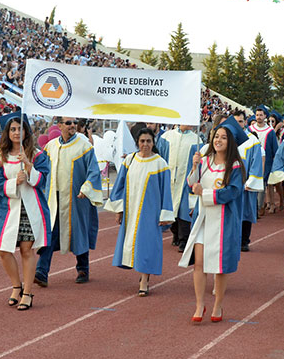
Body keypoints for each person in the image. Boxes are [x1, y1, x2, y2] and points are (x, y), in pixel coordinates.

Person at [178, 117, 246, 324]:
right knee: (199, 263)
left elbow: (232, 192)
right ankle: (200, 304)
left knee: (219, 265)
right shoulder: (205, 160)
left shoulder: (235, 166)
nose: (218, 140)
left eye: (223, 137)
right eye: (216, 136)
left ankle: (218, 304)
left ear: (231, 141)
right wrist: (194, 167)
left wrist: (205, 194)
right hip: (204, 219)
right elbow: (192, 184)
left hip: (223, 220)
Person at [0, 112, 51, 310]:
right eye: (13, 129)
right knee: (4, 250)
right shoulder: (1, 158)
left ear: (26, 131)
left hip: (31, 209)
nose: (17, 133)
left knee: (27, 250)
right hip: (9, 209)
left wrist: (28, 165)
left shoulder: (38, 155)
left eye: (20, 129)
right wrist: (12, 183)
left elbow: (42, 180)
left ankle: (27, 293)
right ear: (7, 133)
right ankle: (16, 286)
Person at [35, 116, 104, 287]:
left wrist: (87, 189)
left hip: (76, 199)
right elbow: (41, 168)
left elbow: (94, 172)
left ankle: (83, 268)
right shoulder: (50, 147)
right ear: (59, 126)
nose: (72, 126)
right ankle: (41, 272)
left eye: (74, 123)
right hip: (54, 199)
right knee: (49, 234)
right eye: (68, 123)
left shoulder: (84, 147)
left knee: (79, 231)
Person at [106, 128, 175, 296]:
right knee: (132, 244)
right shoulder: (130, 160)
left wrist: (164, 213)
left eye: (149, 141)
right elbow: (119, 185)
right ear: (137, 142)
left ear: (153, 143)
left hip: (150, 212)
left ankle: (144, 280)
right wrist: (119, 210)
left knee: (147, 245)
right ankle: (141, 276)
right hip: (131, 210)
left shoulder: (160, 163)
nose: (145, 144)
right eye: (142, 141)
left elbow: (166, 190)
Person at [157, 124, 202, 252]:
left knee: (184, 210)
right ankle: (175, 234)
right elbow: (161, 157)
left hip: (185, 181)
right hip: (169, 179)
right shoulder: (167, 137)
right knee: (171, 209)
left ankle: (184, 240)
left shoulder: (197, 140)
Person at [233, 110, 264, 252]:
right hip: (231, 183)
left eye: (240, 121)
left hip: (245, 184)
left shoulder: (252, 140)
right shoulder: (228, 137)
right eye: (235, 121)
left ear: (245, 122)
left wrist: (250, 182)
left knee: (246, 212)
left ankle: (244, 240)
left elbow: (256, 163)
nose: (238, 124)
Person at [249, 105, 278, 215]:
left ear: (265, 116)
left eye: (261, 115)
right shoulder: (250, 129)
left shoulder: (270, 131)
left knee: (261, 183)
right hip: (252, 159)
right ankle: (253, 206)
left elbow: (275, 149)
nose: (259, 117)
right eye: (257, 115)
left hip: (266, 161)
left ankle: (260, 206)